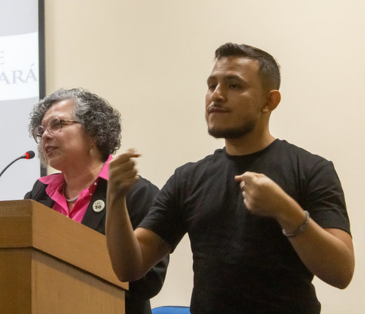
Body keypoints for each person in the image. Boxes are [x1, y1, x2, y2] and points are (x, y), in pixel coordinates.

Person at [106, 43, 354, 314]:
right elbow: (129, 268)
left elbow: (341, 273)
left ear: (269, 102)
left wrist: (287, 211)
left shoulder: (310, 169)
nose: (217, 96)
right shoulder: (188, 178)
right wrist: (116, 199)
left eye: (234, 85)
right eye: (212, 85)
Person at [24, 88, 169, 314]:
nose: (46, 135)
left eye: (57, 124)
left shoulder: (137, 193)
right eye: (41, 130)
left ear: (93, 132)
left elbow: (149, 281)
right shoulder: (40, 194)